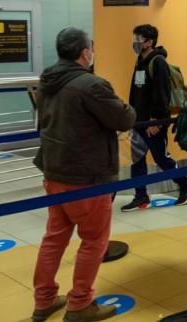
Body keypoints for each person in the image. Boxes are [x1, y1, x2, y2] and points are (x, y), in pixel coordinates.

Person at [31, 28, 136, 322]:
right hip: (86, 176)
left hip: (54, 170)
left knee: (54, 238)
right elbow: (124, 118)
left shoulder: (47, 80)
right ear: (85, 52)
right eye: (91, 48)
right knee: (94, 241)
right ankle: (80, 304)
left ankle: (44, 300)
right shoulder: (91, 85)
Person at [121, 24, 187, 212]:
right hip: (139, 121)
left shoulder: (158, 61)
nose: (135, 42)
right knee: (137, 159)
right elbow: (135, 91)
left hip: (154, 122)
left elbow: (161, 94)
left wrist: (156, 120)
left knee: (162, 158)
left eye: (138, 39)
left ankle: (186, 185)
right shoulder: (140, 60)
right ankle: (141, 195)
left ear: (149, 42)